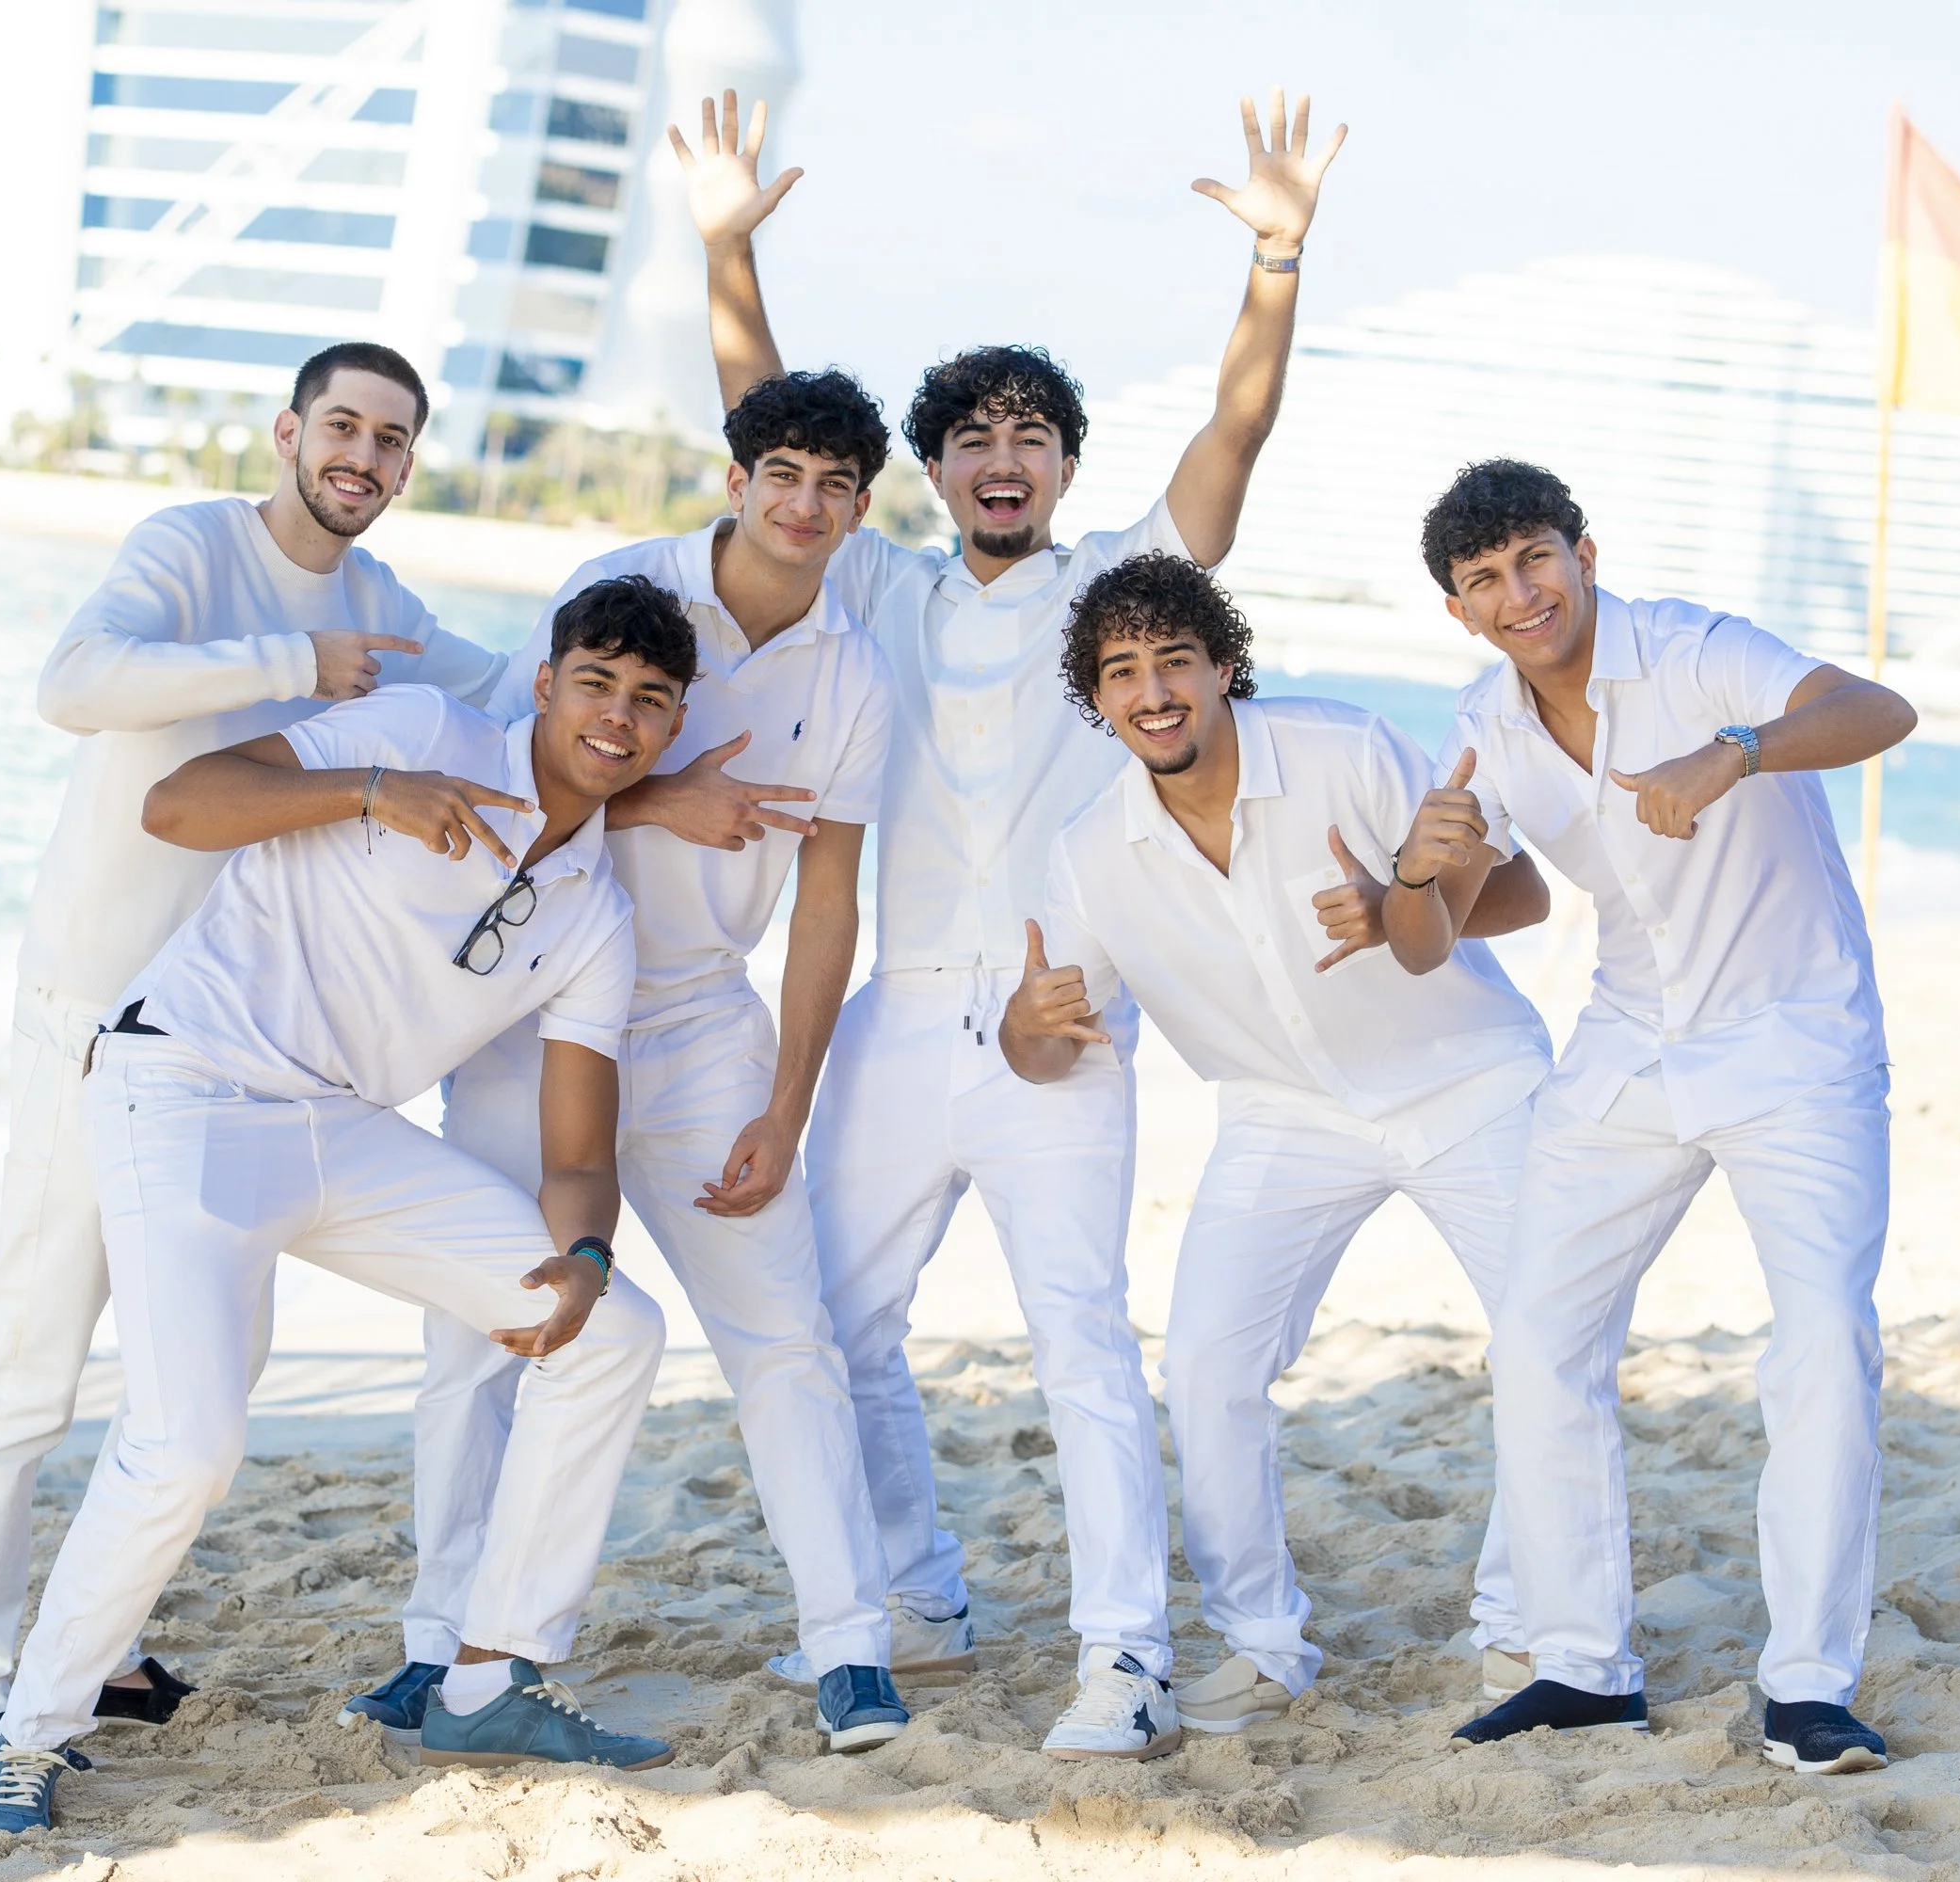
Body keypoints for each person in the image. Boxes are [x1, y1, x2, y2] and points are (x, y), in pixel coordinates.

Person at [672, 83, 1344, 1759]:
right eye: (968, 435)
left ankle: (1124, 1655)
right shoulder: (884, 588)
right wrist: (728, 251)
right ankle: (915, 1588)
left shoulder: (1116, 596)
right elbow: (764, 419)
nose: (997, 457)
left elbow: (1234, 442)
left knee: (1078, 1348)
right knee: (838, 1327)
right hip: (900, 1016)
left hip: (1057, 1028)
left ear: (1061, 465)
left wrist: (1275, 262)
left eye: (1027, 434)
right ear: (937, 468)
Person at [0, 576, 698, 1832]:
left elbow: (579, 1144)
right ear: (544, 682)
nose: (617, 718)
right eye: (596, 682)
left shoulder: (593, 914)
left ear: (672, 724)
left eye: (650, 699)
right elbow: (178, 802)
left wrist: (581, 1251)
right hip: (182, 1083)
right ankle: (27, 1736)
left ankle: (487, 1674)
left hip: (340, 1129)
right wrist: (369, 792)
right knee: (188, 1442)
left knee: (616, 1329)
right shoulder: (418, 733)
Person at [0, 342, 516, 1774]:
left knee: (196, 1378)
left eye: (392, 439)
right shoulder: (191, 547)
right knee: (33, 1353)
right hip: (89, 1010)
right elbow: (75, 683)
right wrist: (289, 665)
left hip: (223, 1050)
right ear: (289, 432)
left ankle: (104, 1645)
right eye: (343, 427)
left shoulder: (385, 604)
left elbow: (531, 692)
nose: (363, 456)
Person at [342, 367, 912, 1756]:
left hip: (707, 1024)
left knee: (785, 1338)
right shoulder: (622, 582)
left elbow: (833, 899)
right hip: (533, 1012)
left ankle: (850, 1648)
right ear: (736, 478)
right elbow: (541, 758)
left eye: (835, 486)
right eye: (782, 472)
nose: (804, 504)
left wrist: (790, 1102)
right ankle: (441, 1645)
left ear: (856, 509)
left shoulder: (855, 673)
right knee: (481, 1339)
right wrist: (670, 792)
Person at [1405, 462, 1916, 1775]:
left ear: (1582, 551)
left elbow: (1877, 708)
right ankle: (1582, 1664)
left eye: (1534, 560)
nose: (1520, 595)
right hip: (1629, 1049)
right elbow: (1453, 930)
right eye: (1485, 581)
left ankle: (1809, 1687)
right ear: (1460, 610)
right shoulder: (1487, 720)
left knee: (1819, 1346)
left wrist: (1738, 750)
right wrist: (1432, 866)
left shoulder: (1693, 651)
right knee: (1537, 1336)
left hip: (1796, 1040)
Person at [999, 551, 1554, 1736]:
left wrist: (1409, 899)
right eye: (1121, 671)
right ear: (1094, 698)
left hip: (1467, 1078)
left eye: (1175, 662)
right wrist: (1020, 1026)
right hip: (1281, 1115)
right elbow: (1053, 1048)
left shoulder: (1343, 749)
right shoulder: (1090, 851)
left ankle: (1523, 1626)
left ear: (1220, 666)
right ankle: (1261, 1642)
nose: (1153, 691)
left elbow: (1521, 898)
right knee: (1204, 1364)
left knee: (1547, 1340)